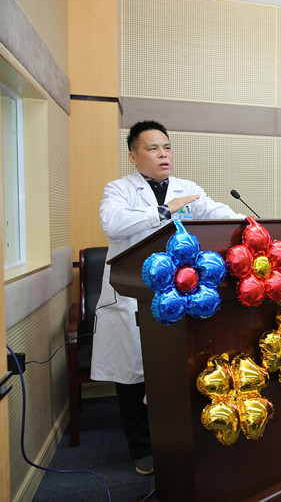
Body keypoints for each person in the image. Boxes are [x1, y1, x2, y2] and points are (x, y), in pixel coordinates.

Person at [90, 121, 243, 475]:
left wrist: (248, 222)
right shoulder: (119, 190)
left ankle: (179, 440)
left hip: (180, 292)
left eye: (167, 147)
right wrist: (165, 210)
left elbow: (216, 212)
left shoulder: (187, 189)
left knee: (177, 367)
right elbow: (113, 224)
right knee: (133, 374)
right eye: (153, 148)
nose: (163, 154)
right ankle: (142, 448)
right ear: (133, 156)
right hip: (134, 296)